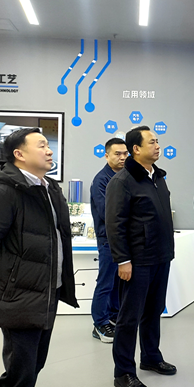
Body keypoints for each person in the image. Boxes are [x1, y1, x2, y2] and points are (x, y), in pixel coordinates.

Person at [0, 128, 78, 387]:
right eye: (41, 146)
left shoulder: (49, 187)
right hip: (18, 295)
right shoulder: (4, 191)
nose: (49, 151)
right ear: (19, 154)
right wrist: (2, 283)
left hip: (47, 291)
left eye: (48, 145)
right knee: (19, 373)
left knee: (34, 364)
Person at [105, 126, 176, 387]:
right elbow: (115, 224)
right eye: (152, 142)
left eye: (158, 141)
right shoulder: (122, 181)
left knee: (153, 310)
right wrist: (123, 260)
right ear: (136, 149)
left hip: (160, 256)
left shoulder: (157, 176)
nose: (157, 146)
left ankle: (151, 357)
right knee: (129, 317)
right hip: (137, 260)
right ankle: (123, 372)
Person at [90, 138, 128, 343]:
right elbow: (108, 212)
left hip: (123, 238)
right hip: (108, 239)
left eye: (125, 154)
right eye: (117, 154)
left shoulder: (126, 176)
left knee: (118, 282)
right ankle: (99, 323)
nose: (122, 157)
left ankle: (114, 316)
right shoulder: (101, 180)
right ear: (106, 155)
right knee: (105, 282)